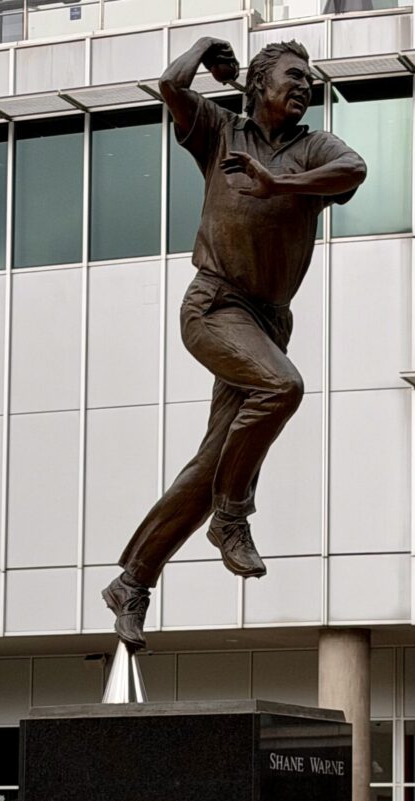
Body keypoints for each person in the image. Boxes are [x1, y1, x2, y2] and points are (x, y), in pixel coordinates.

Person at [103, 36, 366, 649]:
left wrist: (279, 185)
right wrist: (204, 49)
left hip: (268, 322)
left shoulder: (314, 148)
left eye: (309, 80)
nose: (304, 86)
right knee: (283, 387)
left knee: (209, 465)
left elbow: (354, 170)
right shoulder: (222, 131)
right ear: (258, 83)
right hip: (215, 305)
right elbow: (171, 86)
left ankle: (131, 583)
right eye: (293, 76)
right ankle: (231, 517)